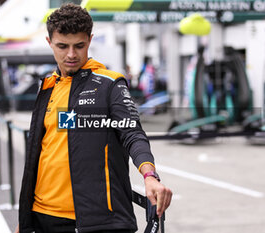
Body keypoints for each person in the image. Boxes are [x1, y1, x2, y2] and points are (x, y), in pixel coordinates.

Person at [16, 3, 172, 233]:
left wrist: (149, 175)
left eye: (79, 46)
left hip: (94, 221)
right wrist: (25, 217)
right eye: (62, 46)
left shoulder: (111, 84)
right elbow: (41, 153)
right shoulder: (47, 86)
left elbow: (133, 133)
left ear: (89, 40)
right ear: (49, 43)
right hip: (42, 216)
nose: (71, 54)